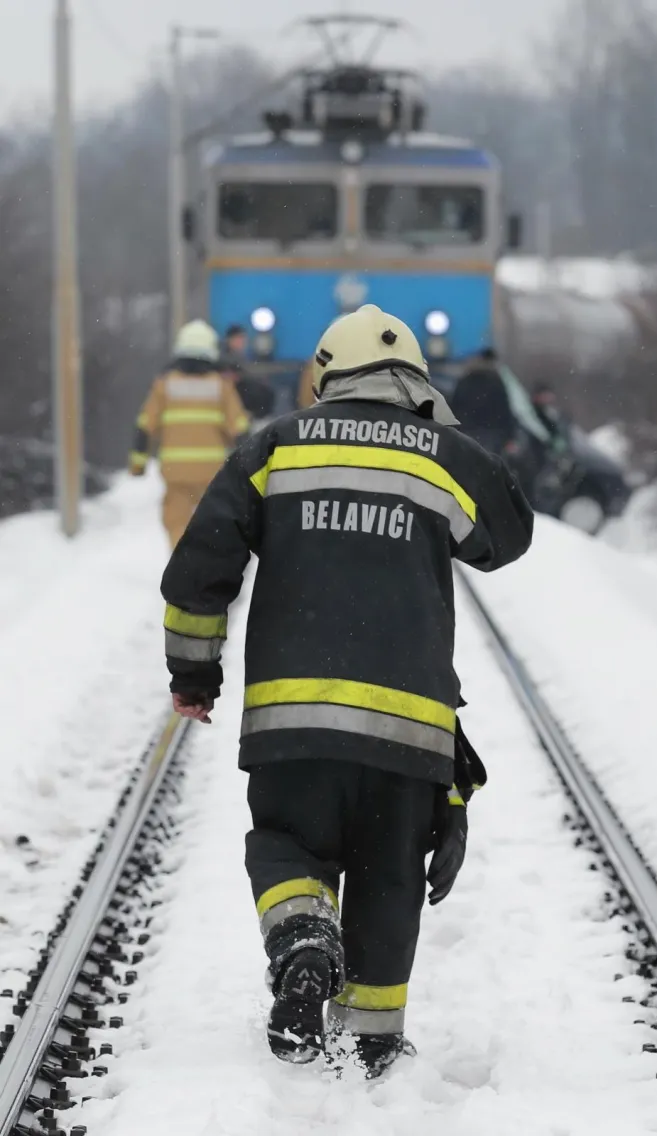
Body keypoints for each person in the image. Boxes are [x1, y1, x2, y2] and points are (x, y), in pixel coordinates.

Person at [160, 304, 533, 1078]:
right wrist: (444, 439)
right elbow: (509, 536)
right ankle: (372, 1040)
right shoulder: (439, 455)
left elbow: (201, 566)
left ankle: (300, 937)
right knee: (389, 874)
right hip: (409, 729)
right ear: (416, 384)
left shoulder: (275, 447)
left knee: (285, 843)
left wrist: (195, 673)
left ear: (325, 377)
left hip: (292, 722)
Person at [128, 319, 250, 549]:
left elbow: (144, 427)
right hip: (212, 475)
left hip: (176, 474)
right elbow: (240, 430)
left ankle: (183, 575)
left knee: (177, 525)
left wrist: (138, 465)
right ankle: (214, 575)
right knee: (215, 526)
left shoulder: (164, 386)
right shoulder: (221, 386)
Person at [220, 324, 275, 420]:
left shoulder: (238, 357)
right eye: (239, 338)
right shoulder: (227, 358)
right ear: (230, 340)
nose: (242, 342)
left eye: (243, 339)